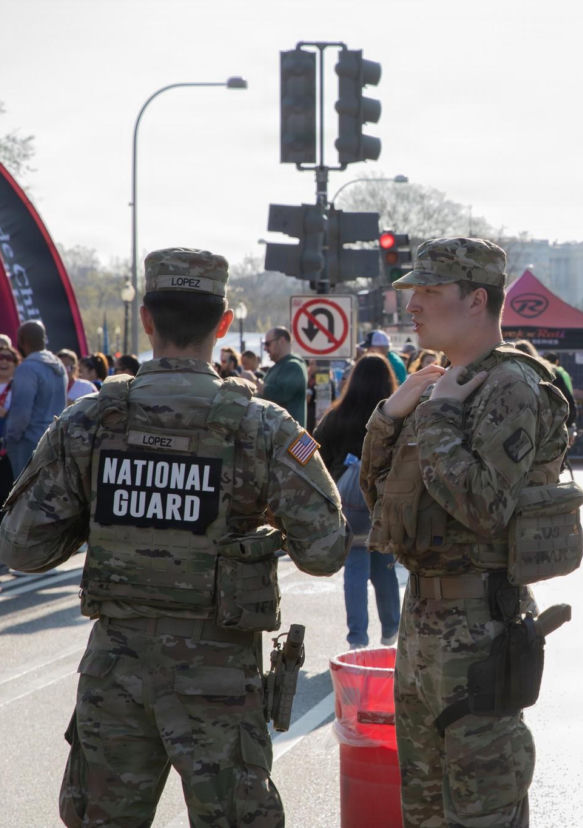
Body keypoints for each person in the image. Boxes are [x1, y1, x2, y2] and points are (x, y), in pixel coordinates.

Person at [0, 247, 351, 826]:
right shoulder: (262, 427)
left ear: (145, 320)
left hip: (116, 671)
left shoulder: (88, 421)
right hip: (219, 675)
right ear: (222, 324)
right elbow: (326, 549)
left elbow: (19, 546)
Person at [360, 237, 570, 826]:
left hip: (479, 631)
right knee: (422, 813)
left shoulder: (509, 387)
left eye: (429, 291)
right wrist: (391, 415)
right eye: (413, 292)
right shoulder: (439, 381)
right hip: (422, 626)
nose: (413, 305)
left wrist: (443, 414)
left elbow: (484, 508)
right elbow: (382, 502)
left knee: (482, 813)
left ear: (476, 299)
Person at [314, 353, 400, 650]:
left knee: (355, 568)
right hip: (384, 503)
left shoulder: (337, 416)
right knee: (384, 565)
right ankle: (391, 633)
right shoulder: (396, 414)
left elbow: (310, 454)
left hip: (347, 504)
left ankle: (357, 640)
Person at [5, 320, 67, 478]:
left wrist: (11, 438)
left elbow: (21, 413)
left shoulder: (27, 368)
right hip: (55, 440)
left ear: (21, 341)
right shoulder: (59, 366)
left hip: (29, 444)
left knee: (23, 497)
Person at [260, 326, 308, 426]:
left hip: (288, 435)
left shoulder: (294, 366)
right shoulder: (278, 366)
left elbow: (282, 395)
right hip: (277, 434)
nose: (265, 348)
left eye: (268, 344)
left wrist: (261, 387)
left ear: (281, 341)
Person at [0, 343, 20, 520]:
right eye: (0, 358)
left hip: (9, 448)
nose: (3, 362)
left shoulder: (19, 387)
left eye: (8, 358)